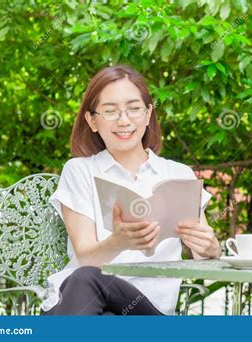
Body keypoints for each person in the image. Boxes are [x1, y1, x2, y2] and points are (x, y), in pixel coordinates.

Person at [40, 64, 221, 316]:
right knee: (87, 279)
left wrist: (212, 249)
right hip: (82, 299)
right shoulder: (79, 171)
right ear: (92, 120)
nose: (124, 120)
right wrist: (118, 242)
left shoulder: (178, 175)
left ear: (148, 115)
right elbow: (87, 259)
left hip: (146, 312)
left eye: (134, 109)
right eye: (110, 111)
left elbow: (205, 259)